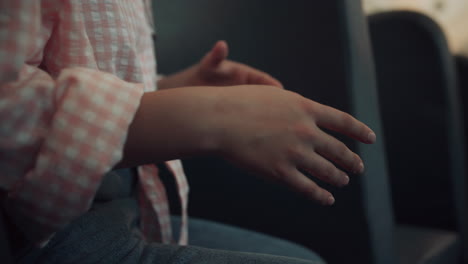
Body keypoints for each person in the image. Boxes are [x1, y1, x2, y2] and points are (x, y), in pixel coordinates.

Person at [0, 1, 375, 263]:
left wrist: (172, 89)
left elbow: (68, 74)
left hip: (124, 211)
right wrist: (212, 115)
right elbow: (10, 112)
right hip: (41, 239)